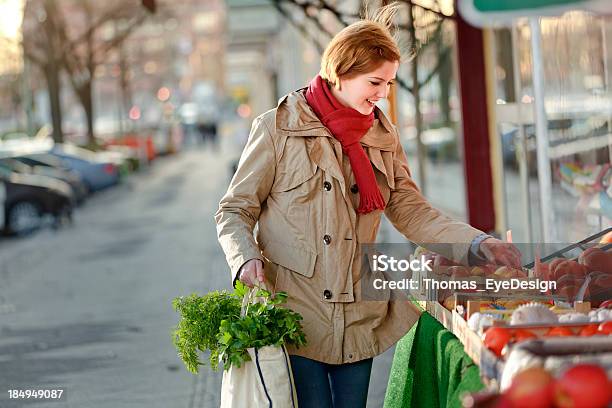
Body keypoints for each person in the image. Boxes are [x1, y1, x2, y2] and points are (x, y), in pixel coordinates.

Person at [215, 4, 521, 407]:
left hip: (359, 311)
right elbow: (234, 210)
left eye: (390, 84)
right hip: (295, 309)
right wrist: (245, 259)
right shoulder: (278, 128)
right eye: (375, 82)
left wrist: (477, 243)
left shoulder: (382, 134)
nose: (383, 95)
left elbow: (410, 210)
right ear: (340, 73)